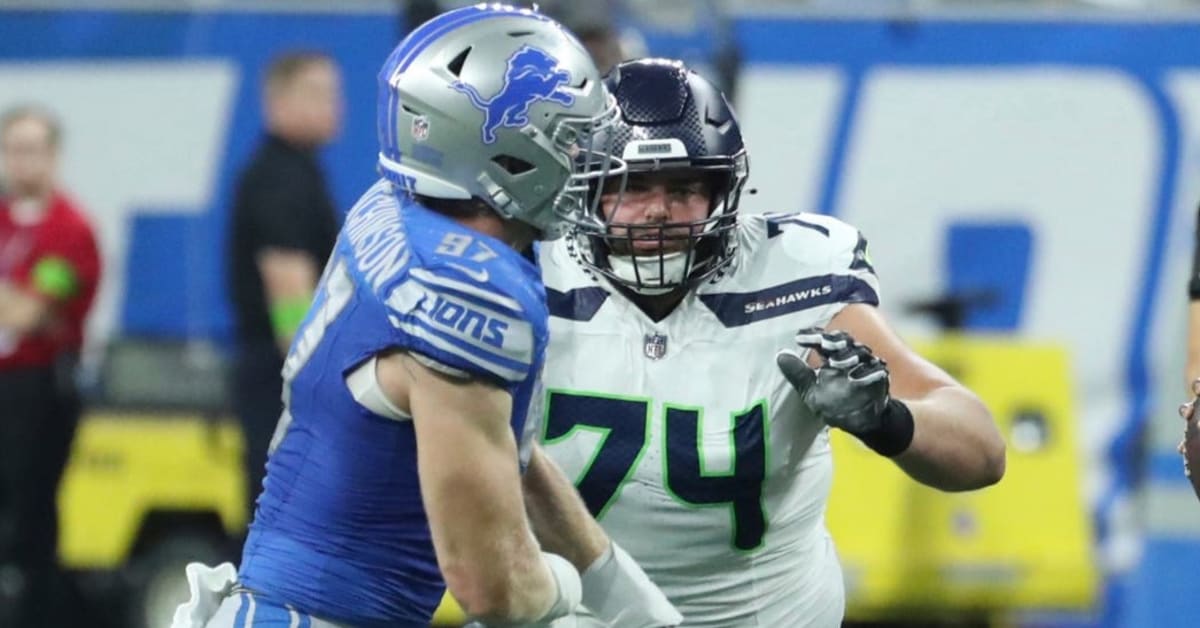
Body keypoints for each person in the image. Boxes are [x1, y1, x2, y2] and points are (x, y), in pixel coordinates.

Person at [174, 5, 680, 628]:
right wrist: (567, 594)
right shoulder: (468, 288)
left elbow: (504, 451)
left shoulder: (401, 209)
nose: (593, 168)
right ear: (504, 151)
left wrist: (626, 595)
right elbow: (488, 585)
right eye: (572, 141)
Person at [538, 58, 1007, 627]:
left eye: (684, 187)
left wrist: (886, 418)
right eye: (631, 186)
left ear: (724, 192)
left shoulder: (791, 275)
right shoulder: (528, 275)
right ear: (586, 191)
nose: (658, 210)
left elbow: (982, 452)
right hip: (568, 613)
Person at [227, 51, 343, 520]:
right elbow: (288, 294)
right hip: (281, 381)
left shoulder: (301, 171)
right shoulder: (279, 180)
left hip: (278, 377)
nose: (334, 105)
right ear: (276, 102)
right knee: (281, 511)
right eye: (317, 93)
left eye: (334, 94)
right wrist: (316, 386)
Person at [0, 105, 101, 627]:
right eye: (14, 148)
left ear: (54, 156)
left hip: (37, 389)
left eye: (33, 149)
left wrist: (18, 302)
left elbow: (29, 312)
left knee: (30, 517)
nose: (22, 161)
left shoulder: (70, 231)